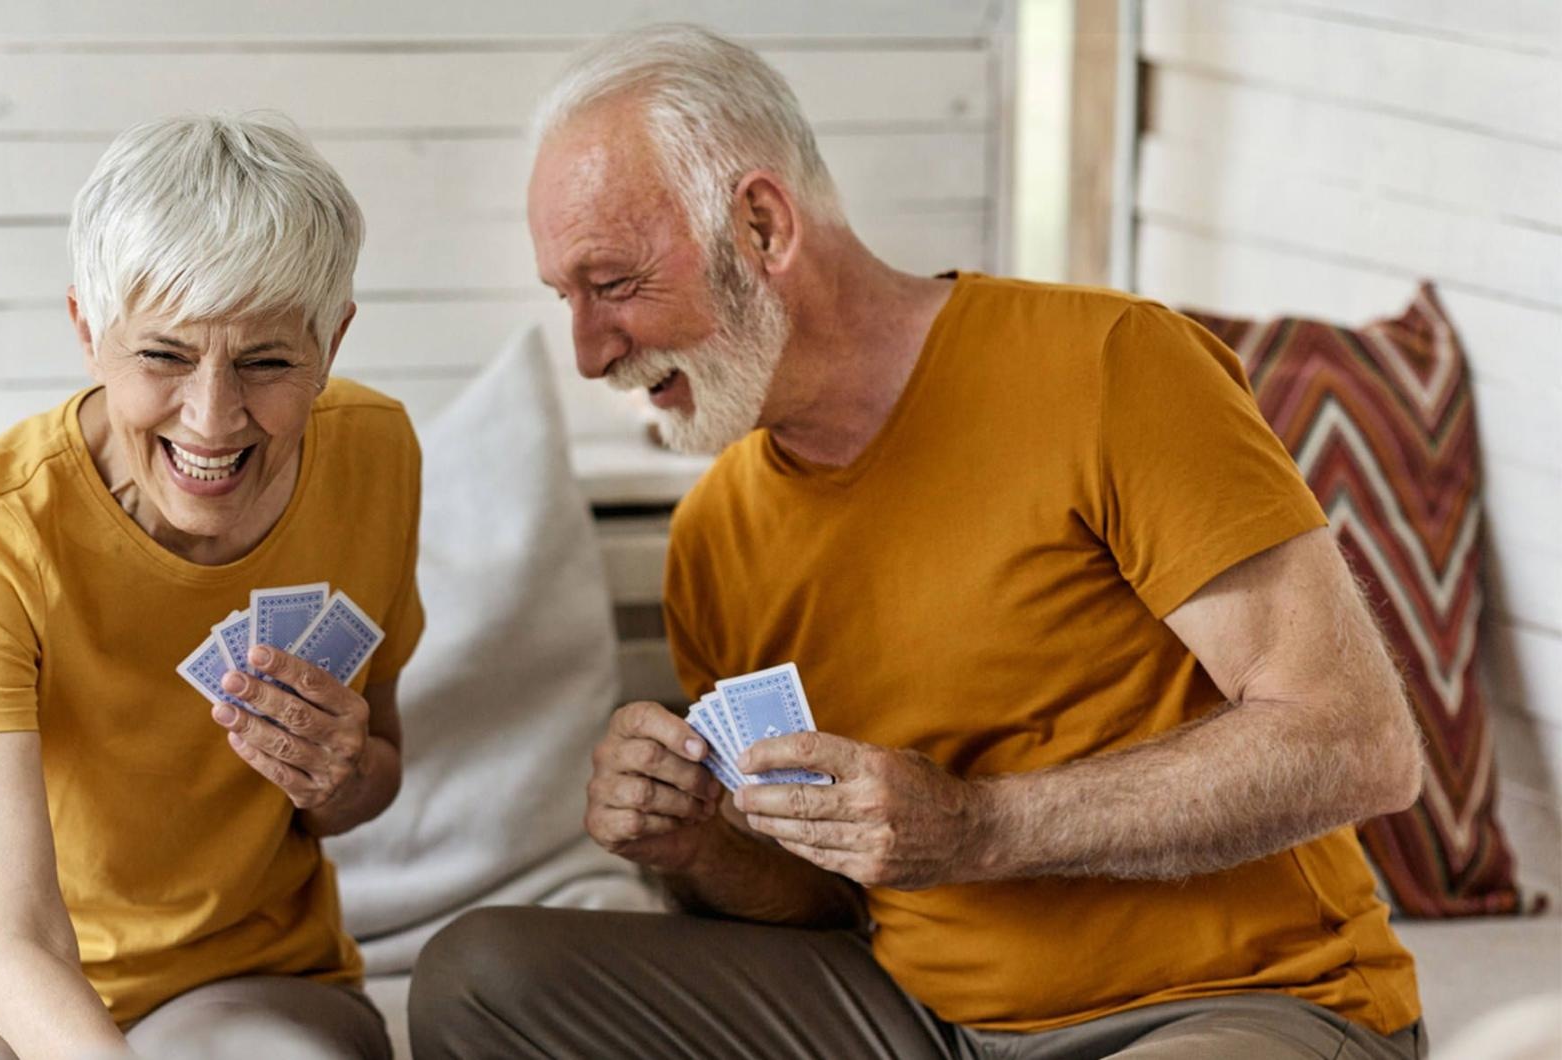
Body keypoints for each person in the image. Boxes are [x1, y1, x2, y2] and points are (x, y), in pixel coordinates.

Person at [410, 24, 1427, 1060]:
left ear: (762, 225)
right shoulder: (716, 533)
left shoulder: (1112, 367)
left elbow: (1355, 739)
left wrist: (981, 827)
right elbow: (824, 901)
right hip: (912, 1022)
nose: (587, 353)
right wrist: (698, 847)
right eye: (566, 299)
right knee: (483, 982)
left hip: (1234, 1005)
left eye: (614, 284)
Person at [0, 113, 421, 1060]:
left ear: (331, 342)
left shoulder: (376, 454)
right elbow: (17, 942)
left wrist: (342, 770)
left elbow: (370, 781)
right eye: (163, 354)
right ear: (89, 331)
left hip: (241, 975)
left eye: (268, 361)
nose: (212, 418)